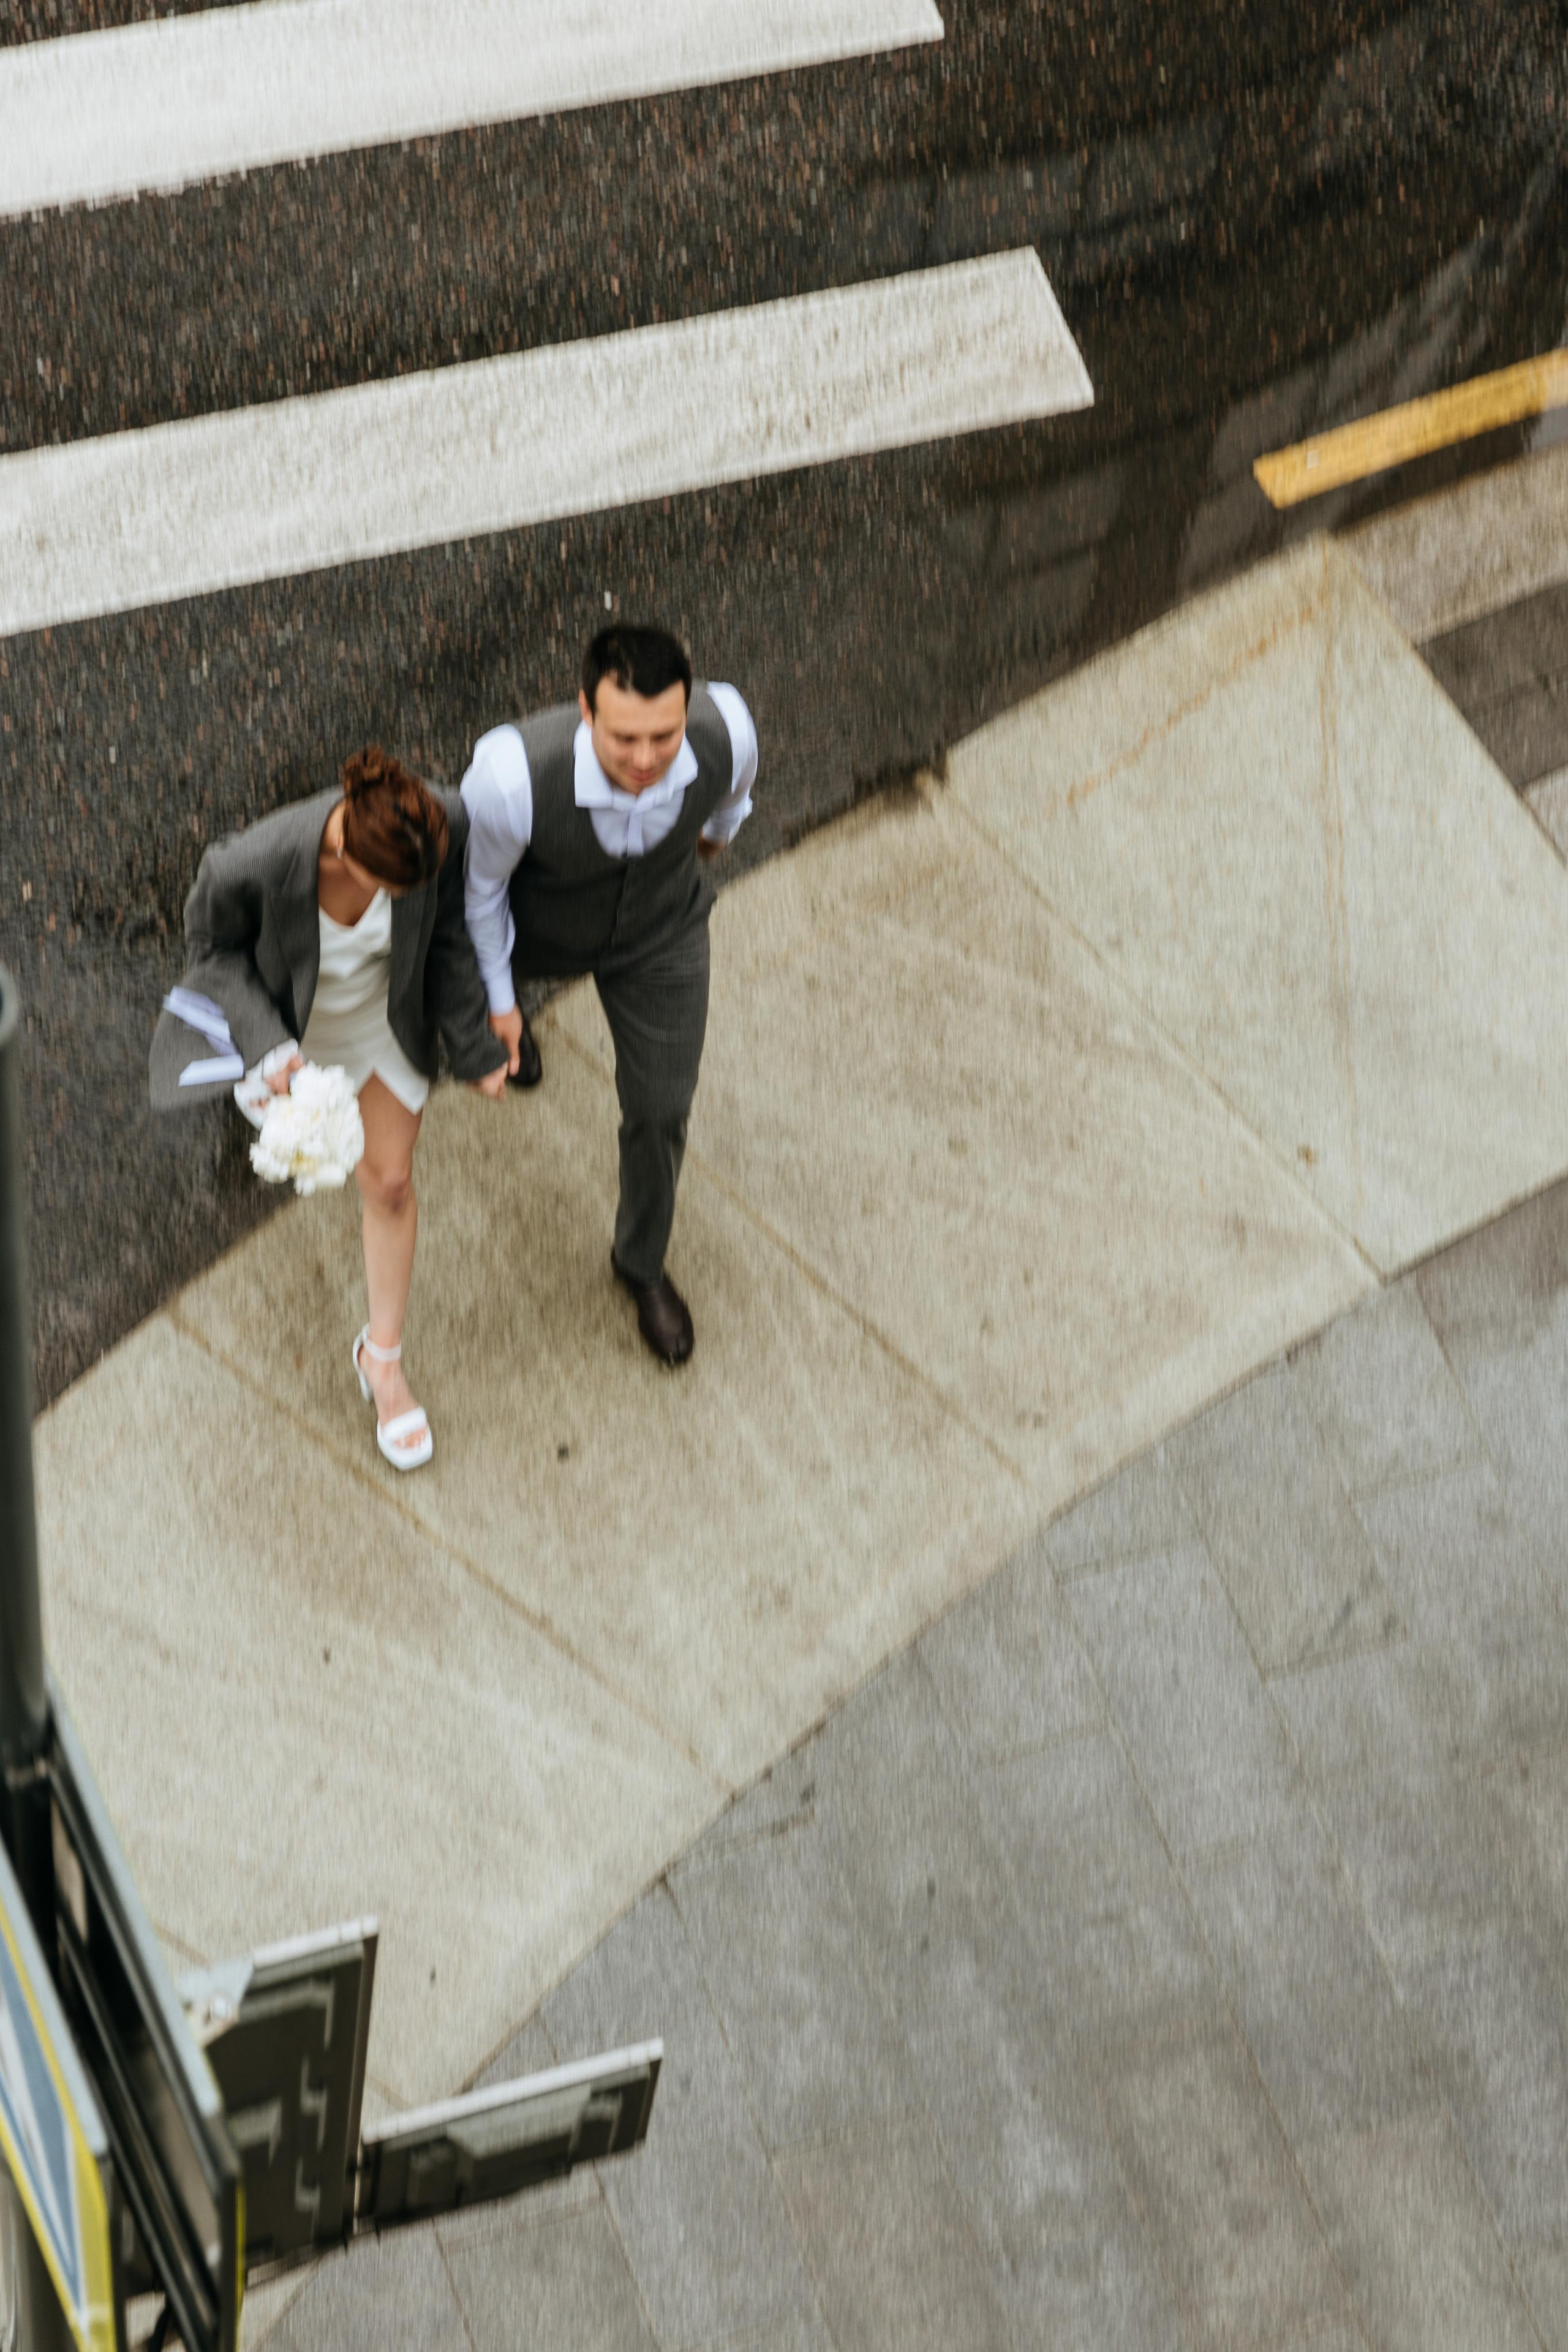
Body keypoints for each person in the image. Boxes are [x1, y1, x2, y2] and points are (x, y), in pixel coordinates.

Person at [149, 747, 508, 1468]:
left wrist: (474, 1048)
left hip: (381, 1021)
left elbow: (445, 936)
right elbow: (212, 954)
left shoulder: (441, 823)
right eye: (387, 886)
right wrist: (271, 1047)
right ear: (343, 843)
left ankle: (382, 1360)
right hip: (296, 1033)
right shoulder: (250, 861)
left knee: (391, 1184)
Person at [461, 624, 758, 1364]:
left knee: (661, 1111)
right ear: (585, 711)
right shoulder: (509, 777)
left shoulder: (729, 732)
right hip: (541, 930)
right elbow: (481, 893)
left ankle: (641, 1265)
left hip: (660, 936)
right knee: (479, 1001)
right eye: (623, 737)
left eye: (664, 735)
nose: (646, 759)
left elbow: (725, 817)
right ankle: (523, 1028)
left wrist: (684, 864)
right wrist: (500, 1002)